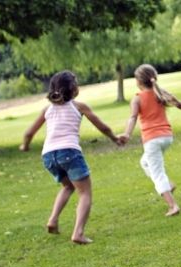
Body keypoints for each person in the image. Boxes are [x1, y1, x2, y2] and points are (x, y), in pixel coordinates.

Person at [20, 70, 123, 244]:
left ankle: (53, 220)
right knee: (85, 193)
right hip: (69, 152)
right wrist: (114, 139)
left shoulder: (48, 109)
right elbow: (102, 127)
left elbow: (29, 133)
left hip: (48, 156)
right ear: (73, 89)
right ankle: (78, 233)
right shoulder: (78, 106)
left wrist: (25, 146)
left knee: (68, 187)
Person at [119, 64, 181, 216]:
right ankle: (168, 185)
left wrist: (127, 134)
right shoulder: (160, 93)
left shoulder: (137, 98)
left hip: (152, 140)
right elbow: (179, 104)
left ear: (138, 82)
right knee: (145, 162)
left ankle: (173, 206)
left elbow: (133, 117)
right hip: (166, 137)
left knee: (157, 173)